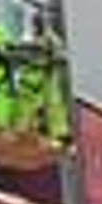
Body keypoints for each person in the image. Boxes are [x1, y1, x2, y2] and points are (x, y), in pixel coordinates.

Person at [16, 11, 69, 144]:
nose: (38, 24)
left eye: (40, 21)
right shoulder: (26, 38)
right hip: (30, 81)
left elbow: (62, 57)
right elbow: (20, 57)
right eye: (36, 22)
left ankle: (58, 137)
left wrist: (49, 62)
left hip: (48, 78)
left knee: (53, 108)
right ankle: (30, 137)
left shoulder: (52, 38)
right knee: (30, 112)